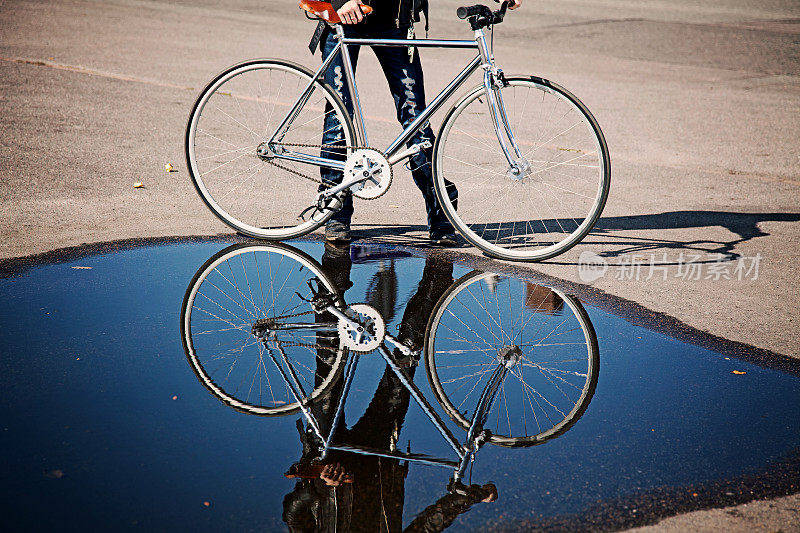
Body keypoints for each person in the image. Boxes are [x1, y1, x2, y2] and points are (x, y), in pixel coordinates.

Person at [309, 0, 522, 245]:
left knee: (416, 120)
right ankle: (336, 206)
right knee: (339, 115)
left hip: (394, 19)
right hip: (343, 16)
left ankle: (440, 211)